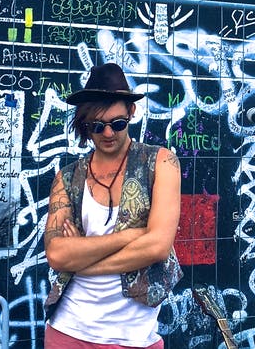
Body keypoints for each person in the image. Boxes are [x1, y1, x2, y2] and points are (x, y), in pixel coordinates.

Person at [43, 62, 182, 349]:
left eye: (117, 123)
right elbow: (57, 255)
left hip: (135, 337)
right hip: (68, 330)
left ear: (131, 113)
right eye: (97, 125)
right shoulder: (66, 178)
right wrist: (132, 236)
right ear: (84, 124)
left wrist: (83, 261)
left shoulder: (162, 163)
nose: (108, 133)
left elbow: (157, 246)